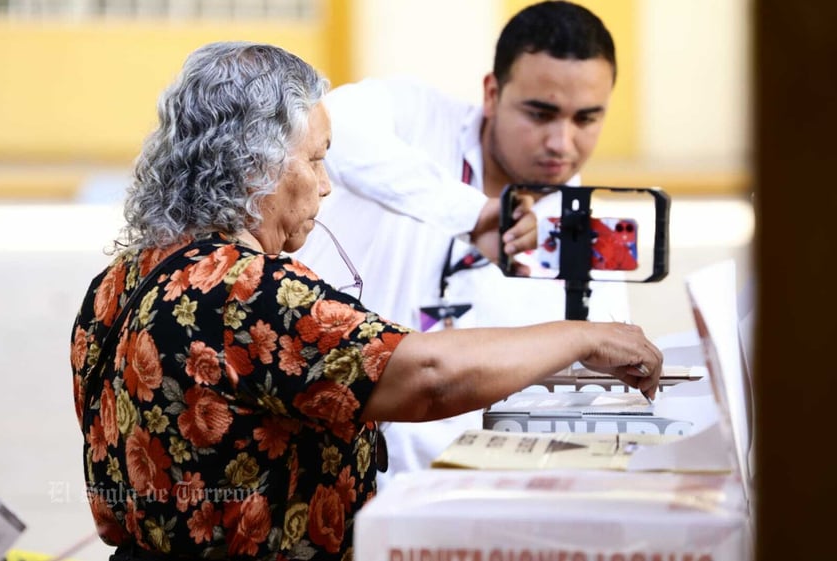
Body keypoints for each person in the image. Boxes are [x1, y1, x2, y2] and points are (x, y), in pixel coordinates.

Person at [70, 41, 662, 561]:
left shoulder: (117, 284)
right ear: (257, 168)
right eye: (316, 160)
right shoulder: (249, 292)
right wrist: (581, 336)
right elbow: (427, 375)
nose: (327, 184)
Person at [292, 0, 627, 488]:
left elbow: (591, 397)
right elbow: (326, 130)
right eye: (541, 113)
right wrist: (471, 215)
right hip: (332, 482)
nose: (562, 143)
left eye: (586, 119)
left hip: (473, 506)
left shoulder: (589, 230)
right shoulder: (414, 115)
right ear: (492, 93)